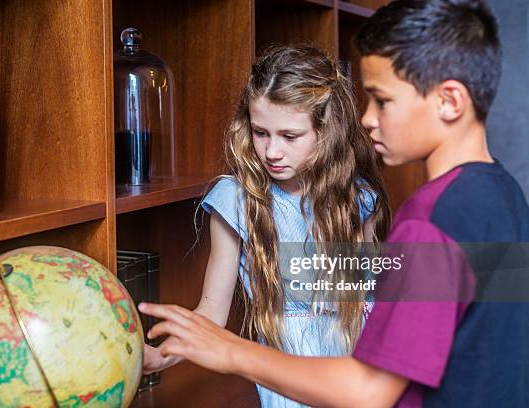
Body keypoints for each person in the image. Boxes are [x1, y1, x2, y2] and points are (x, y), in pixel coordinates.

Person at [139, 0, 529, 407]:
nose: (366, 118)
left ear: (450, 101)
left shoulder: (428, 222)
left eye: (381, 99)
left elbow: (369, 390)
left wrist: (232, 351)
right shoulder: (507, 196)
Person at [142, 45, 391, 407]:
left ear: (328, 132)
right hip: (285, 385)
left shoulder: (359, 198)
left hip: (357, 379)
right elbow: (211, 313)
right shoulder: (235, 200)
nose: (272, 151)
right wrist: (159, 358)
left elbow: (376, 298)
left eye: (290, 137)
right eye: (261, 133)